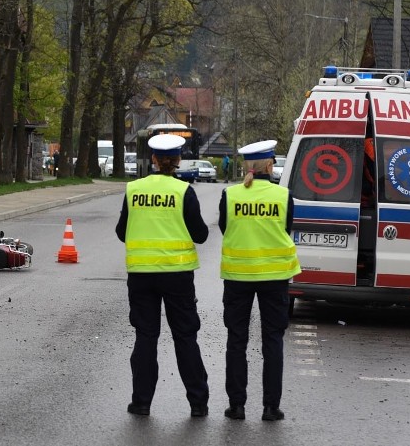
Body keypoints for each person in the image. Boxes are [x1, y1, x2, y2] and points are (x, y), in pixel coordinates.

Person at [114, 134, 210, 418]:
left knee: (145, 336)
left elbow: (122, 232)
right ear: (178, 160)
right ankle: (198, 403)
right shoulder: (183, 192)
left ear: (153, 160)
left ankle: (141, 402)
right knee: (185, 337)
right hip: (177, 276)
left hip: (142, 275)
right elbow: (201, 235)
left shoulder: (133, 190)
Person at [218, 139, 300, 422]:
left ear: (246, 167)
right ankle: (270, 407)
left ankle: (237, 406)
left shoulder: (230, 195)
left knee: (237, 340)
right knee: (273, 341)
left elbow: (224, 227)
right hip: (275, 277)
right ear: (268, 165)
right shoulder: (282, 196)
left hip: (238, 276)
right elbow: (287, 228)